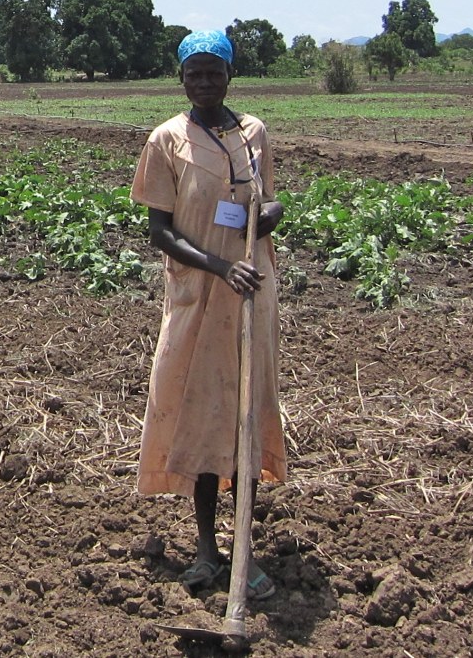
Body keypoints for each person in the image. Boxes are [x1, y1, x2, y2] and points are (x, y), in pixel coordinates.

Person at [129, 30, 287, 602]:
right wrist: (220, 266)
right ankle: (205, 549)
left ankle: (243, 548)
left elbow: (266, 197)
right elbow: (160, 231)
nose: (203, 82)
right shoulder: (167, 140)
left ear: (229, 76)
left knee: (244, 416)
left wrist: (270, 212)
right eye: (192, 73)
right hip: (199, 295)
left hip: (249, 297)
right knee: (200, 416)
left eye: (212, 72)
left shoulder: (253, 134)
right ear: (181, 79)